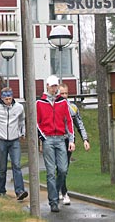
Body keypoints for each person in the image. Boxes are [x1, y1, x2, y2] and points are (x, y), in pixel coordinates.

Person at [37, 75, 75, 213]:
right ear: (47, 86)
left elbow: (69, 121)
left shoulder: (62, 102)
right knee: (50, 172)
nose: (54, 89)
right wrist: (42, 137)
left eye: (55, 86)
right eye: (52, 86)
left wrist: (71, 140)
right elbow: (37, 122)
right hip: (48, 138)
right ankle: (53, 201)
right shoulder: (40, 103)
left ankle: (56, 190)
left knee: (63, 169)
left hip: (60, 138)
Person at [0, 87, 28, 201]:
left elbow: (22, 120)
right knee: (2, 166)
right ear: (2, 98)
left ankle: (20, 191)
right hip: (1, 139)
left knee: (17, 165)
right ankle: (1, 190)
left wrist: (23, 132)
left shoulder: (19, 107)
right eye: (6, 99)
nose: (8, 101)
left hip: (14, 140)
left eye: (10, 98)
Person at [58, 83, 90, 205]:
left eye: (66, 93)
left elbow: (79, 124)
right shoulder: (53, 107)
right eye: (62, 94)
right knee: (59, 167)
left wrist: (85, 140)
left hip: (69, 140)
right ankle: (62, 190)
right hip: (56, 139)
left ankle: (63, 190)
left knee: (64, 167)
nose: (64, 96)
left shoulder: (73, 108)